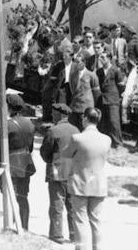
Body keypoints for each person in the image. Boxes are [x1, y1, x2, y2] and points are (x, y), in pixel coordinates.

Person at [65, 107, 111, 250]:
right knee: (96, 221)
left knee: (80, 221)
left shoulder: (77, 138)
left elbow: (66, 154)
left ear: (85, 118)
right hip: (99, 185)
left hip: (80, 183)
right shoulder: (107, 139)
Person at [0, 93, 36, 230]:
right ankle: (24, 227)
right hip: (25, 163)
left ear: (9, 107)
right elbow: (30, 147)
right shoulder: (30, 123)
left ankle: (10, 226)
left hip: (10, 164)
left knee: (9, 196)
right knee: (23, 197)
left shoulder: (7, 125)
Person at [40, 103, 79, 243]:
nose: (52, 115)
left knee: (57, 205)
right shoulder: (76, 130)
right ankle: (74, 234)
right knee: (72, 205)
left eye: (54, 113)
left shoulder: (53, 131)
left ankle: (57, 234)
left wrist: (50, 161)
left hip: (57, 171)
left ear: (59, 114)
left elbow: (45, 152)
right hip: (73, 172)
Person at [66, 47, 102, 131]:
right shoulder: (73, 75)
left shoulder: (91, 75)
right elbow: (72, 89)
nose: (76, 64)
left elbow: (96, 93)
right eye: (75, 62)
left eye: (78, 62)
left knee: (84, 129)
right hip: (75, 106)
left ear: (84, 62)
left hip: (86, 107)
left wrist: (92, 106)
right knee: (73, 129)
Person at [95, 51, 125, 148]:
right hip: (102, 99)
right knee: (102, 121)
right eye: (100, 57)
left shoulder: (116, 70)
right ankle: (104, 142)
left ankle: (118, 143)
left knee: (114, 121)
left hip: (113, 99)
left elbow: (121, 85)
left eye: (103, 57)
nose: (101, 59)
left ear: (109, 58)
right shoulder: (99, 71)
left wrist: (116, 95)